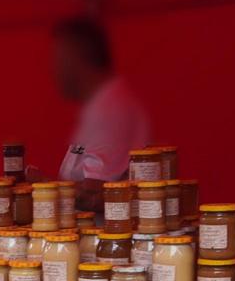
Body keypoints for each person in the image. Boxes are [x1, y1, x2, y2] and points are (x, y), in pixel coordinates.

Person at [27, 16, 150, 213]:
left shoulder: (109, 112)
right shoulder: (100, 107)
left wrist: (42, 182)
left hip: (103, 237)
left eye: (60, 60)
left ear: (81, 60)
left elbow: (91, 195)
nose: (54, 71)